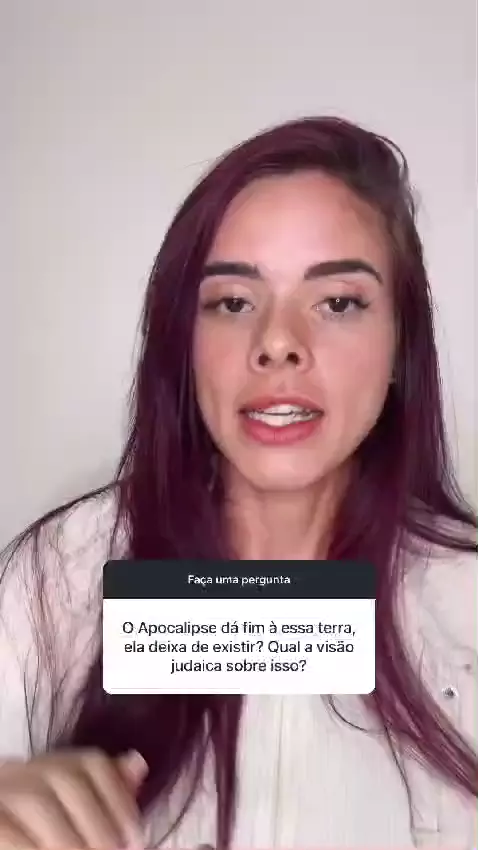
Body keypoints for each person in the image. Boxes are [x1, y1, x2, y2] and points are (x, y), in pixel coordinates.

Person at [0, 115, 476, 850]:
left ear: (400, 345)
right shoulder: (58, 578)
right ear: (184, 341)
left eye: (338, 302)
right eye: (233, 302)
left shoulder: (465, 600)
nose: (278, 342)